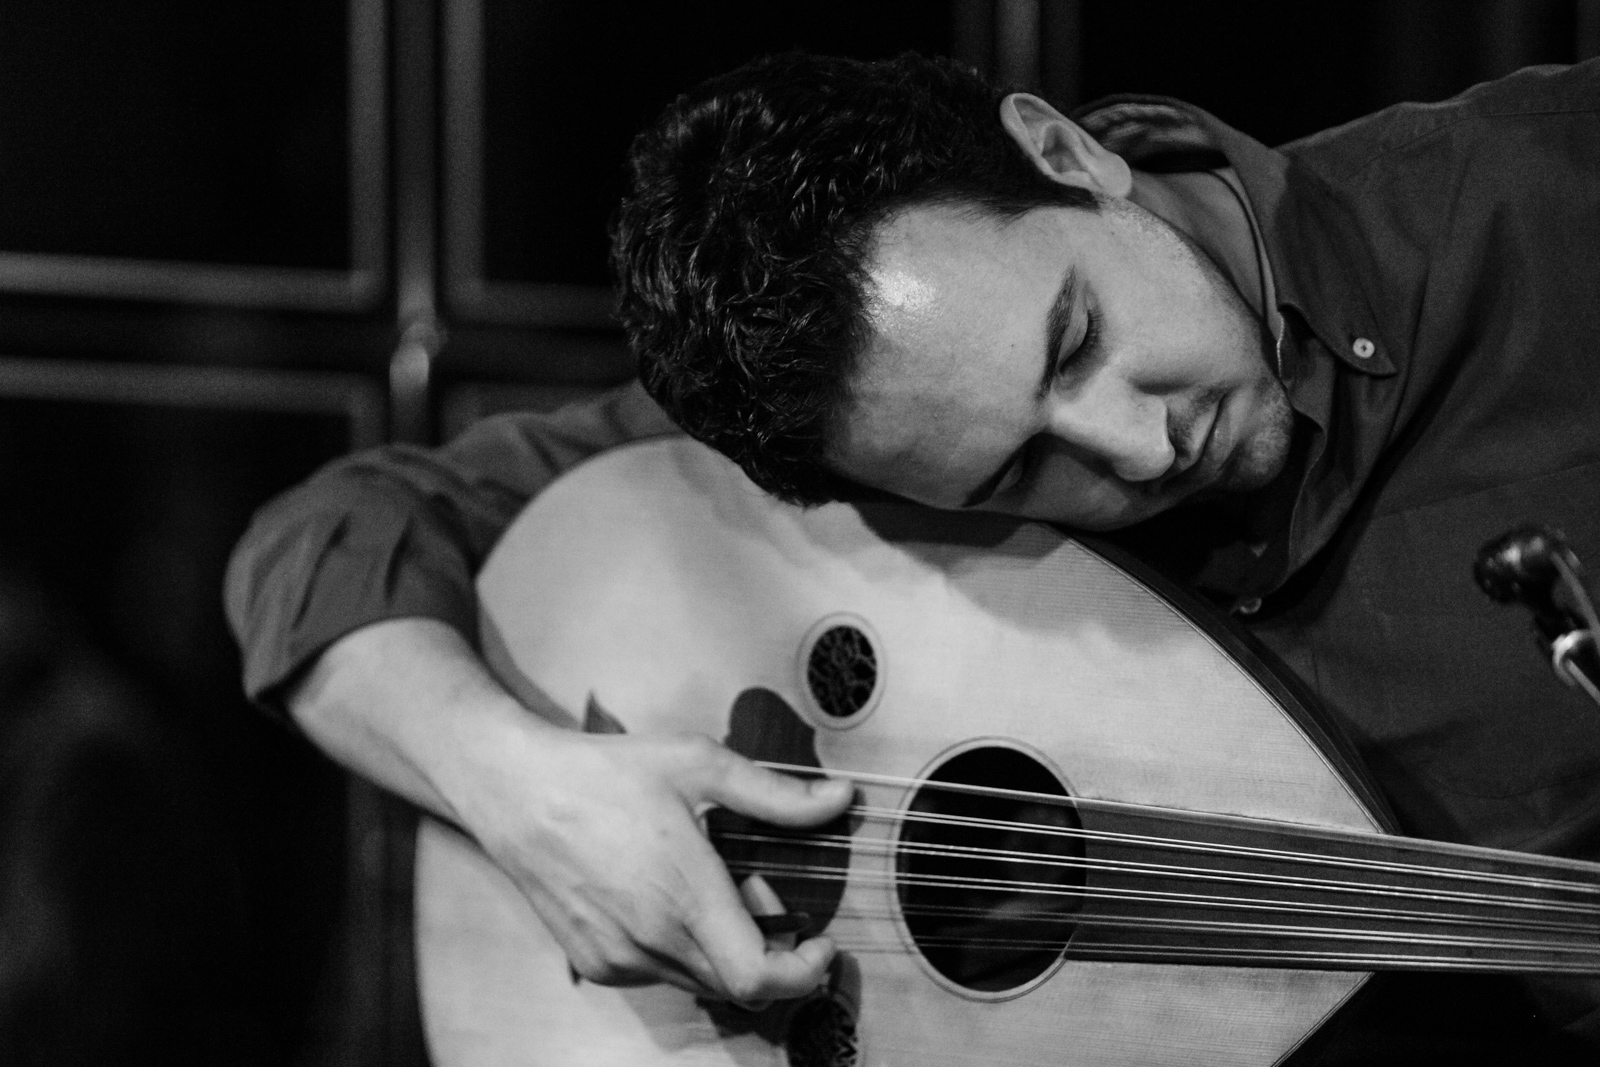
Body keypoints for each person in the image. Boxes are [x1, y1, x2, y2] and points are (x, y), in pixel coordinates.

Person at [226, 52, 1600, 1057]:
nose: (1135, 447)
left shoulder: (1555, 204)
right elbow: (323, 542)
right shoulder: (866, 436)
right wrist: (525, 788)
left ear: (1064, 154)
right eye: (1013, 474)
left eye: (1075, 337)